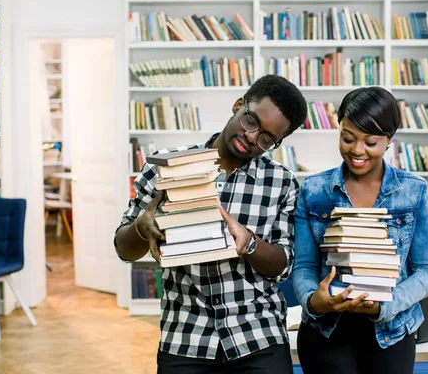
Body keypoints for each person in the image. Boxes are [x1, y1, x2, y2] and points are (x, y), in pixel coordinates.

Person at [114, 74, 308, 374]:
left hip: (258, 334)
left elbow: (284, 266)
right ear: (239, 105)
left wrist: (249, 243)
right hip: (186, 334)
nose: (253, 138)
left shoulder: (282, 183)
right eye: (251, 121)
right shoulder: (166, 168)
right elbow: (124, 250)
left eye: (267, 138)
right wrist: (142, 225)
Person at [292, 87, 428, 374]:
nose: (357, 151)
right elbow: (304, 266)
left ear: (389, 141)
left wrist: (385, 305)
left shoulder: (415, 191)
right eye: (347, 138)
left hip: (393, 329)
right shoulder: (313, 190)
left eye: (370, 142)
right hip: (326, 329)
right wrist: (314, 301)